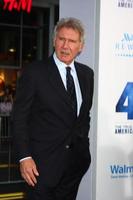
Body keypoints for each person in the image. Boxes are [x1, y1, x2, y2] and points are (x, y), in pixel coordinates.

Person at [12, 17, 94, 200]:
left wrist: (82, 146)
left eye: (72, 41)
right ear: (54, 41)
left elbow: (84, 115)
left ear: (80, 47)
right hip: (40, 167)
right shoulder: (35, 72)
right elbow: (19, 118)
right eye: (61, 39)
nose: (66, 45)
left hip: (74, 166)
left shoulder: (87, 75)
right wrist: (24, 157)